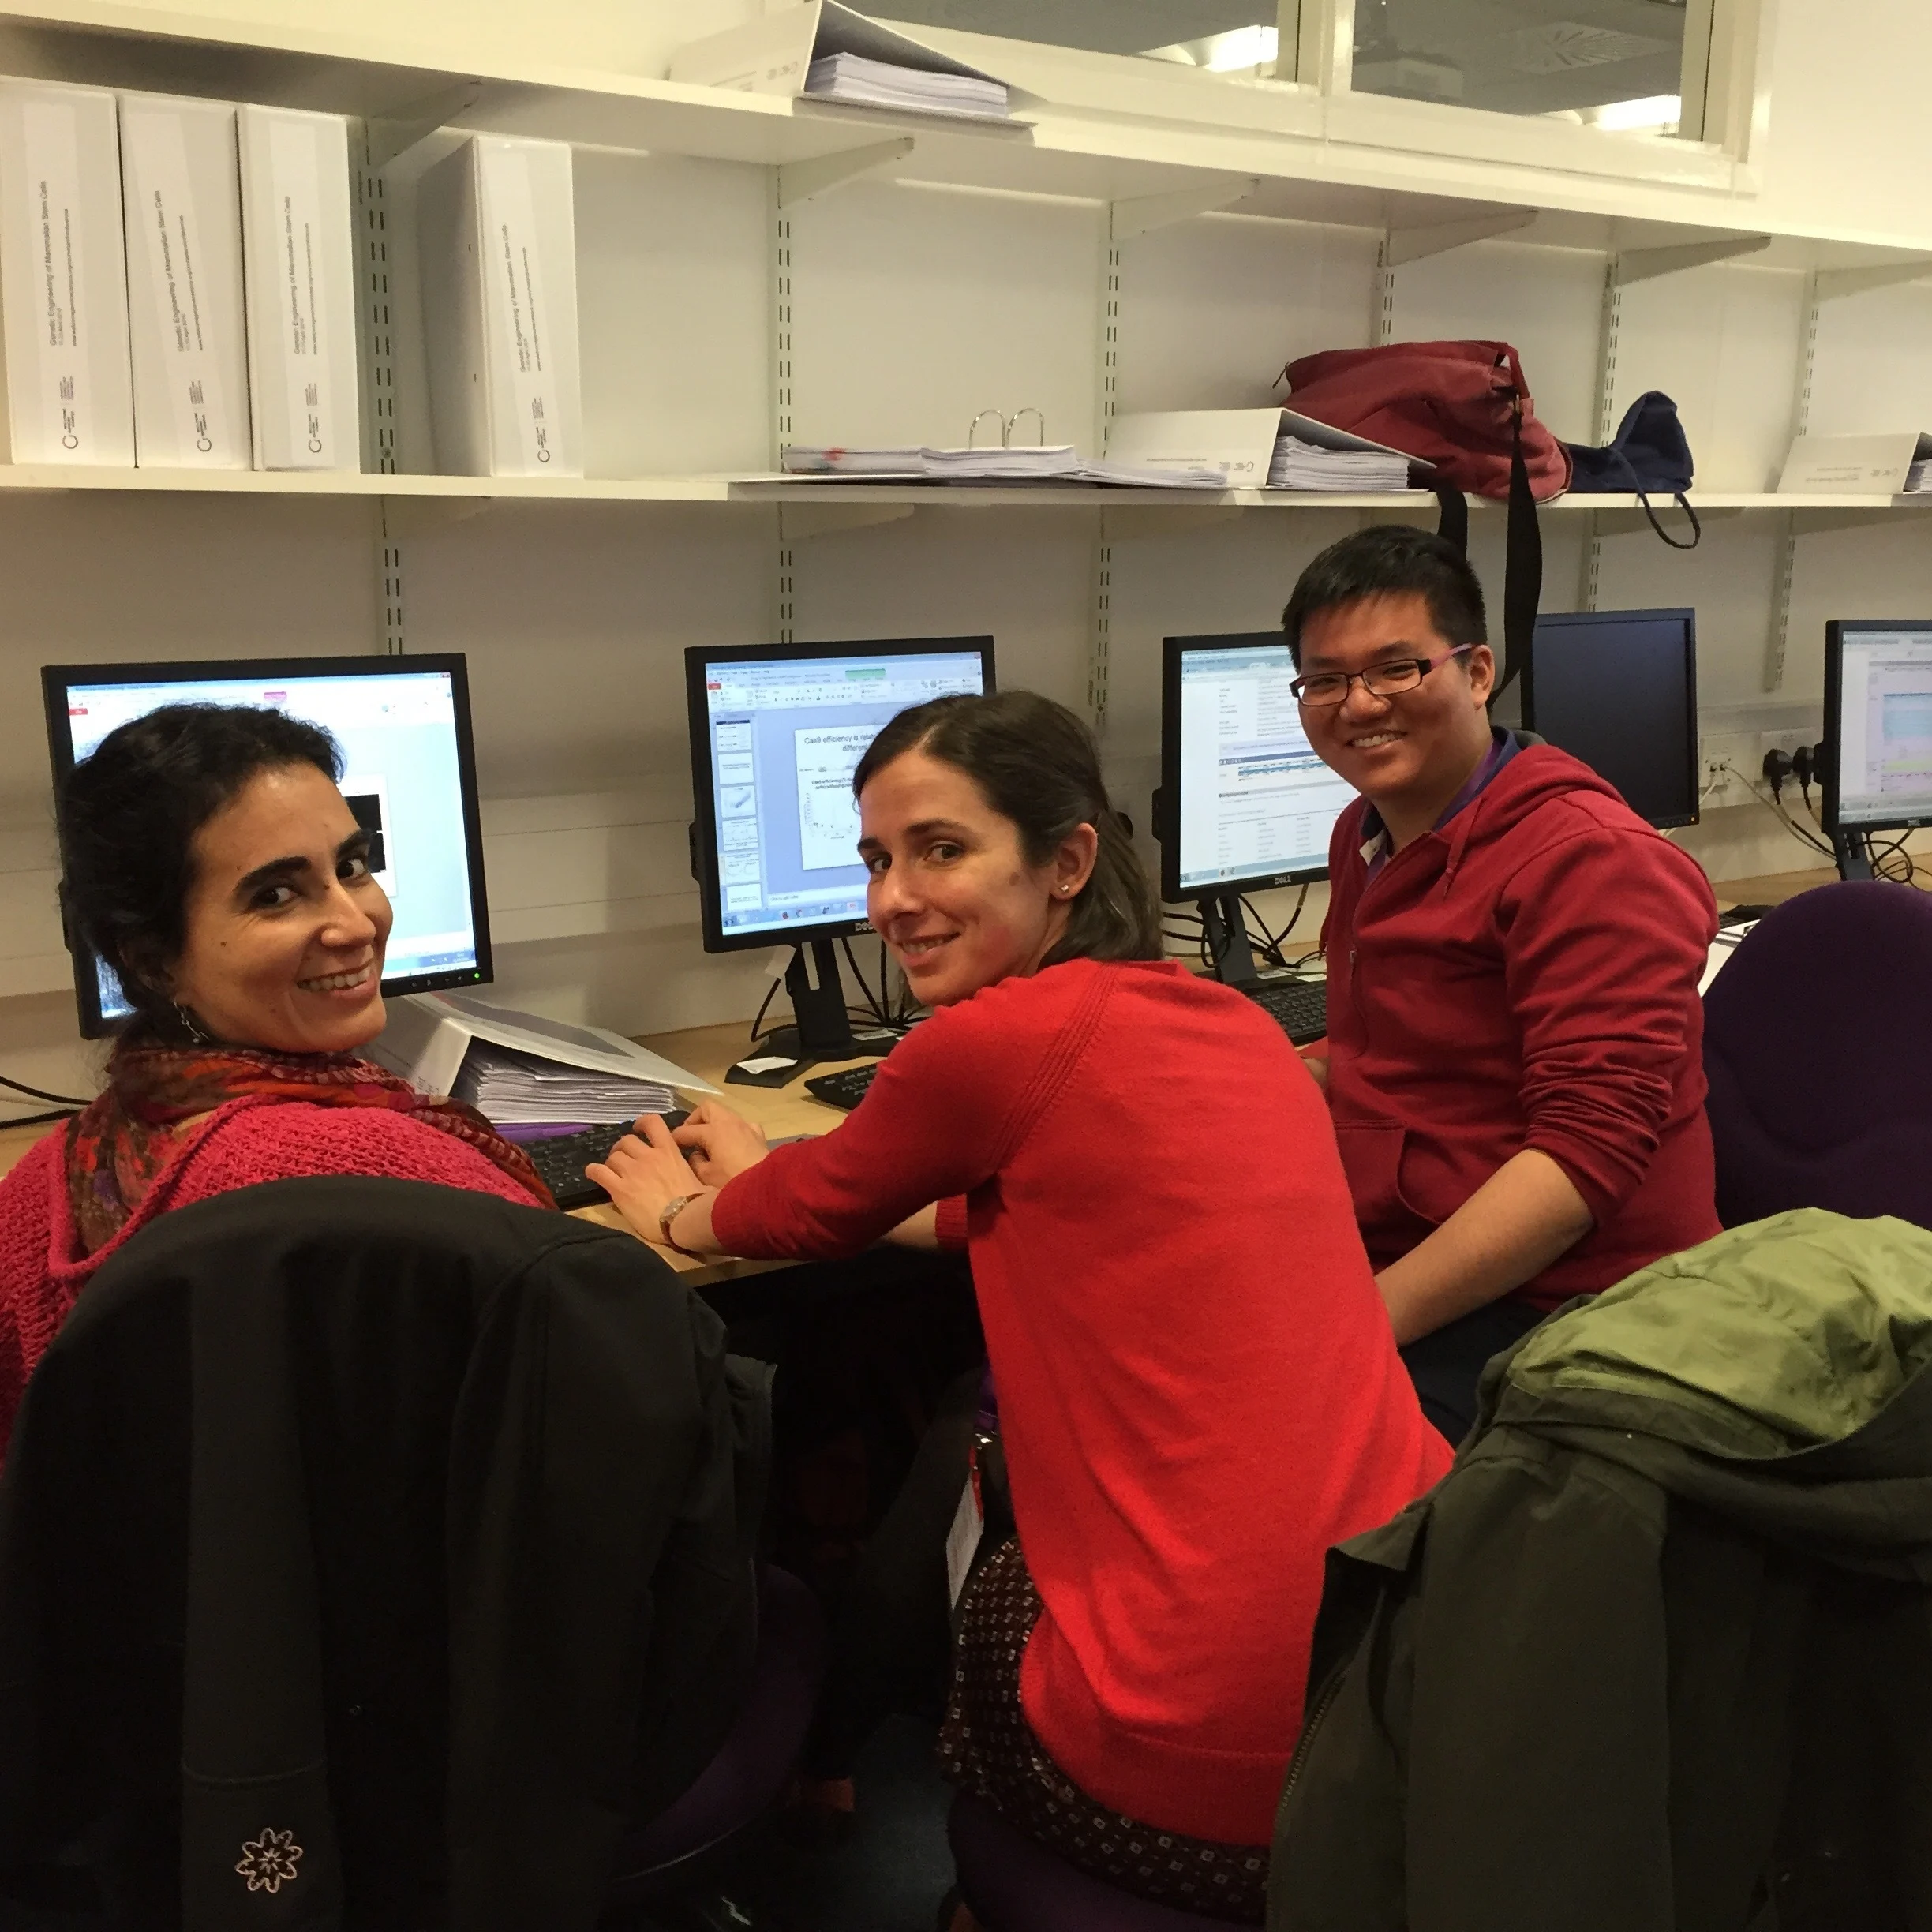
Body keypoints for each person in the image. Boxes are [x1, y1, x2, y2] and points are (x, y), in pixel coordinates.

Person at [588, 689, 1451, 1924]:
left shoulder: (982, 1048)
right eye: (878, 859)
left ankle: (942, 1868)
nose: (893, 897)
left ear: (1067, 861)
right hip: (1397, 1712)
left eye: (941, 849)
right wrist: (805, 1182)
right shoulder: (1239, 1028)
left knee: (964, 1477)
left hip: (1193, 1786)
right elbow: (1032, 1200)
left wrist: (677, 1209)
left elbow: (802, 1220)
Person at [0, 704, 552, 1460]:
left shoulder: (42, 1186)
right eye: (275, 895)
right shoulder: (391, 1172)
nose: (356, 923)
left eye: (351, 867)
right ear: (155, 961)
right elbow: (606, 1355)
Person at [1283, 525, 1720, 1443]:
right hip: (1420, 1247)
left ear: (1478, 672)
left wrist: (1353, 1325)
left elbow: (1578, 1165)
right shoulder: (1371, 832)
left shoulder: (1589, 862)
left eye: (1397, 669)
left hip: (1573, 1309)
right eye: (1325, 680)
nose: (1357, 705)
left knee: (1257, 1439)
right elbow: (1400, 1053)